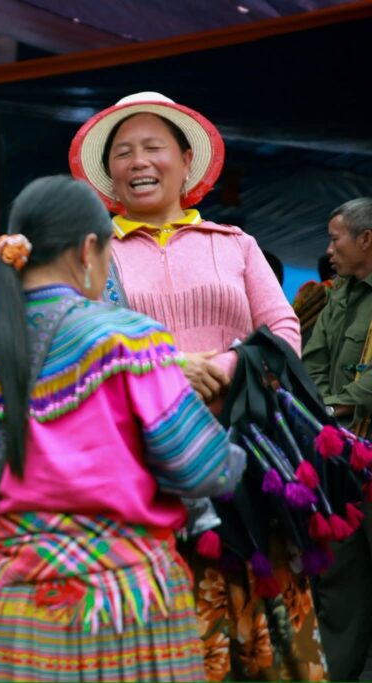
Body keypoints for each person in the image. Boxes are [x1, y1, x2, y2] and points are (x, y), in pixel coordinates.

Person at [0, 175, 243, 681]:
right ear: (89, 249)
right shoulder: (129, 340)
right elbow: (201, 468)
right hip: (124, 601)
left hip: (11, 608)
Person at [70, 92, 318, 682]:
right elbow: (74, 341)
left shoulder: (234, 245)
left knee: (272, 619)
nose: (138, 162)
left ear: (186, 162)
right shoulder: (89, 255)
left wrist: (224, 367)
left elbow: (282, 329)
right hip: (141, 464)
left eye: (153, 148)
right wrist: (168, 368)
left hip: (245, 450)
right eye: (123, 153)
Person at [302, 197, 372, 681]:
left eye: (336, 237)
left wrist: (330, 409)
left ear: (366, 239)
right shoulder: (338, 295)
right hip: (342, 460)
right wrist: (324, 412)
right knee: (338, 579)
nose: (329, 250)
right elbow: (312, 362)